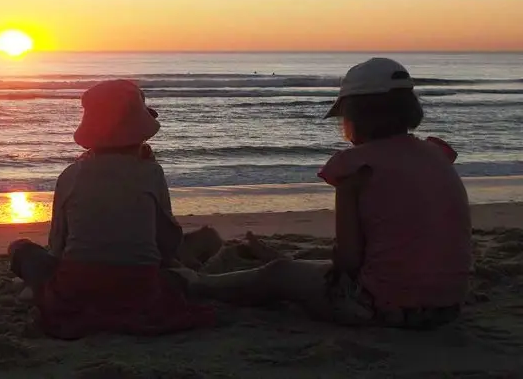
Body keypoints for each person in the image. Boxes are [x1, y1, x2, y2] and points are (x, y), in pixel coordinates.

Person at [178, 58, 472, 329]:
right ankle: (282, 263)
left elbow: (348, 261)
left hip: (382, 308)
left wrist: (294, 269)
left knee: (278, 275)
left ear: (354, 115)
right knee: (298, 268)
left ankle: (198, 284)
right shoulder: (435, 153)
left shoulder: (355, 168)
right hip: (446, 306)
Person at [8, 79, 214, 339]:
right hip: (140, 291)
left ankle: (35, 289)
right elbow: (167, 244)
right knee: (182, 270)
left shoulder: (70, 176)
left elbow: (58, 246)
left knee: (20, 250)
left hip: (76, 290)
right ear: (140, 133)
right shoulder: (151, 172)